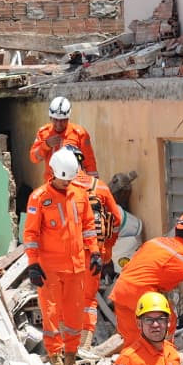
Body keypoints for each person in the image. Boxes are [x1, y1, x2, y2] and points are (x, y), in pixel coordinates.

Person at [23, 147, 101, 365]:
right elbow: (31, 235)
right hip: (50, 269)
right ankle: (55, 357)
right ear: (53, 172)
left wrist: (95, 252)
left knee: (75, 314)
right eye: (62, 180)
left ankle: (70, 359)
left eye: (69, 180)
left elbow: (88, 225)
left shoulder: (79, 194)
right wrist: (33, 264)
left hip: (77, 266)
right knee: (52, 313)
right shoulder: (39, 198)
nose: (66, 184)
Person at [109, 212, 183, 346]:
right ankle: (164, 355)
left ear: (177, 230)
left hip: (120, 290)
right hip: (142, 293)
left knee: (131, 340)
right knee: (167, 321)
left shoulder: (155, 242)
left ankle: (136, 364)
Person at [64, 144, 123, 348]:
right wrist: (108, 248)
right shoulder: (101, 187)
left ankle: (71, 345)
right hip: (97, 254)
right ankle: (84, 344)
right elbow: (116, 220)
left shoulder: (61, 189)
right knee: (88, 300)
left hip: (69, 255)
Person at [29, 96, 98, 185]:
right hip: (51, 185)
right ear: (50, 118)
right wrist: (46, 145)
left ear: (68, 118)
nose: (59, 124)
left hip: (74, 185)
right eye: (55, 120)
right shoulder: (43, 132)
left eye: (62, 120)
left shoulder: (80, 134)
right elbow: (34, 158)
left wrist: (94, 187)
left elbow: (89, 163)